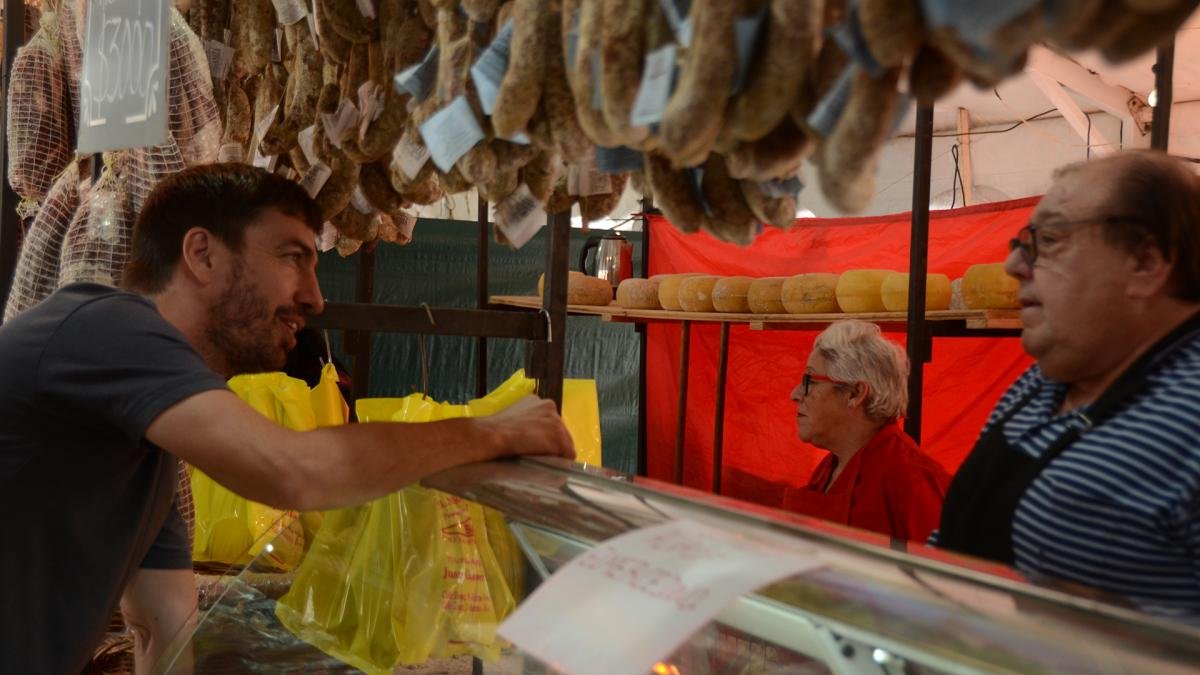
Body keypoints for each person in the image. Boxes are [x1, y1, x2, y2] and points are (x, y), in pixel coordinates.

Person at [0, 164, 575, 674]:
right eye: (292, 257)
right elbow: (293, 471)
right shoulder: (105, 329)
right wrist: (493, 430)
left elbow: (164, 625)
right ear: (202, 255)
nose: (315, 297)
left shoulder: (144, 433)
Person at [936, 150, 1200, 623]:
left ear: (1146, 262)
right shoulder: (1039, 384)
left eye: (1050, 240)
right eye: (1021, 243)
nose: (1014, 264)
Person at [783, 320, 949, 542]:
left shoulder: (912, 480)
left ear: (855, 393)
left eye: (809, 381)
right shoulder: (830, 466)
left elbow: (945, 572)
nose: (795, 394)